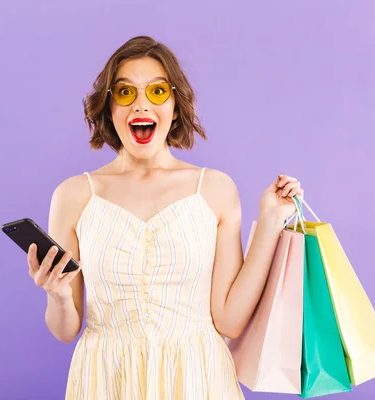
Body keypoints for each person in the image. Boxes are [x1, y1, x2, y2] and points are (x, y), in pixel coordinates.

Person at [26, 36, 304, 400]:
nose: (141, 104)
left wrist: (270, 220)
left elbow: (229, 321)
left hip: (197, 378)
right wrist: (59, 296)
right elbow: (65, 330)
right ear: (109, 107)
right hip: (106, 378)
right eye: (125, 93)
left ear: (175, 106)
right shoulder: (73, 195)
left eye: (157, 92)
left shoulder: (214, 189)